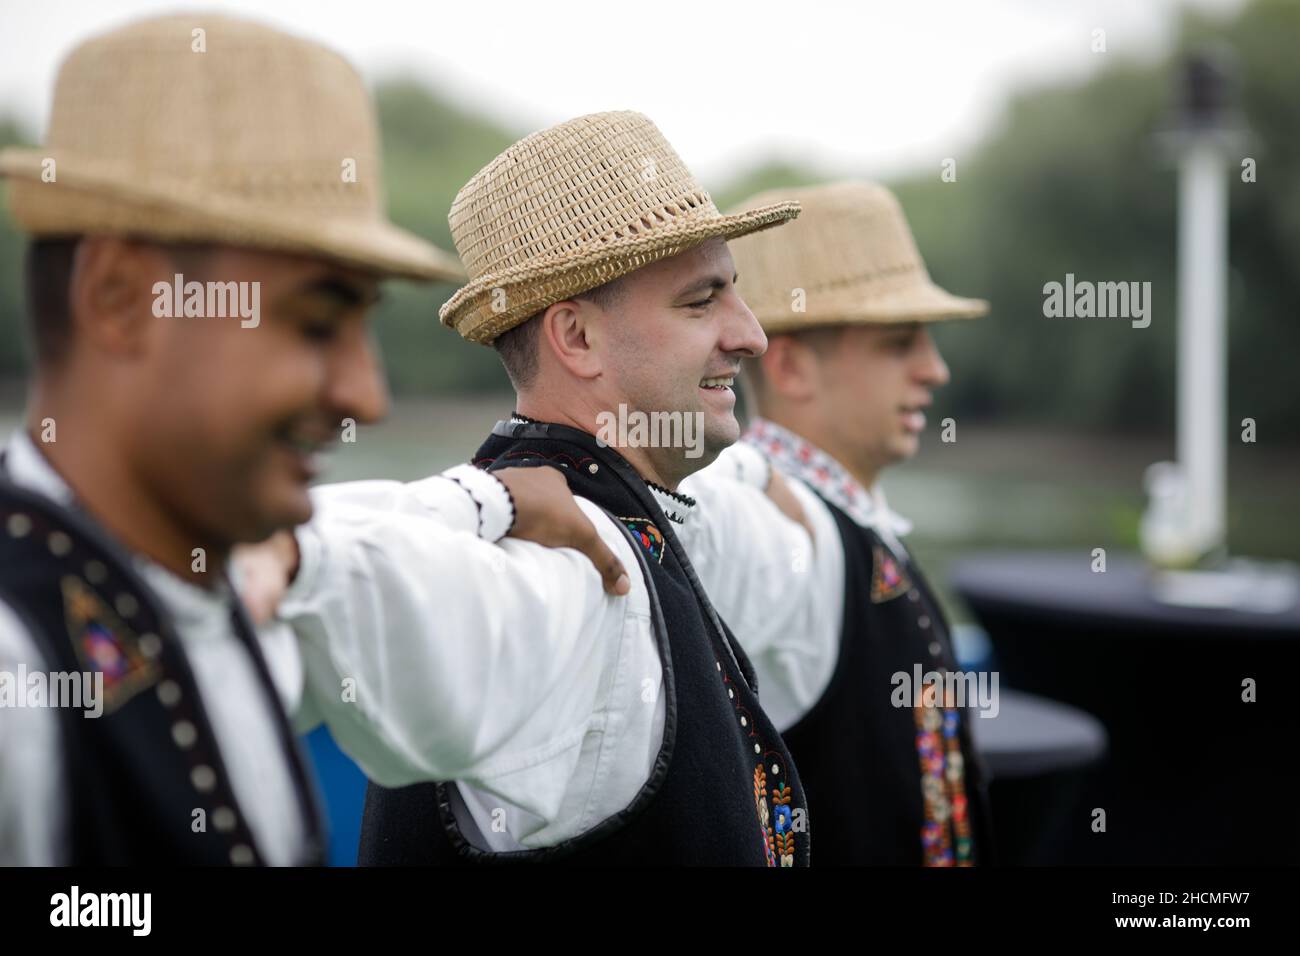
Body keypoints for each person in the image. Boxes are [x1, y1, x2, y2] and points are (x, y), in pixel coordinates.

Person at [0, 13, 625, 866]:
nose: (365, 397)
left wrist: (496, 495)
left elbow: (335, 541)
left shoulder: (217, 600)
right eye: (315, 321)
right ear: (119, 298)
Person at [262, 111, 847, 865]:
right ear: (575, 339)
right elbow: (283, 561)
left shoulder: (632, 521)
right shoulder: (567, 567)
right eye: (701, 301)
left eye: (733, 294)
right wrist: (487, 503)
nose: (750, 335)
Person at [726, 180, 996, 865]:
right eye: (899, 343)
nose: (934, 370)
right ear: (789, 365)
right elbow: (707, 515)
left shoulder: (844, 518)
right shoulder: (783, 530)